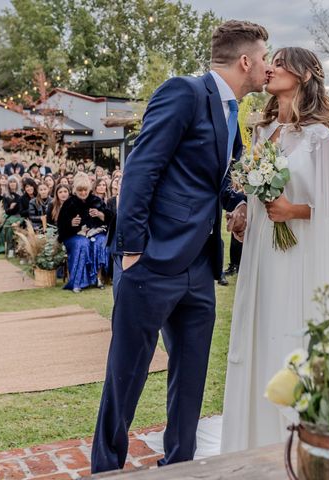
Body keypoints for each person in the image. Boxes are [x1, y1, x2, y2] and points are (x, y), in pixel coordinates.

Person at [91, 20, 267, 474]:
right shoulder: (183, 92)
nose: (267, 67)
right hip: (151, 263)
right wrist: (132, 250)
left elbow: (216, 178)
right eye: (265, 58)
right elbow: (141, 169)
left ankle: (180, 465)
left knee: (190, 381)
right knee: (125, 377)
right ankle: (107, 468)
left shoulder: (235, 114)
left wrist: (239, 201)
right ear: (245, 61)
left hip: (200, 269)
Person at [220, 46, 329, 453]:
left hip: (301, 256)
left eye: (281, 63)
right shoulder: (264, 132)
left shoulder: (320, 138)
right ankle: (259, 436)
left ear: (303, 76)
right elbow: (254, 192)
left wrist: (292, 210)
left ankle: (303, 438)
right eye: (272, 61)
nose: (271, 68)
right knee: (263, 329)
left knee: (293, 331)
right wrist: (245, 212)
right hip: (264, 254)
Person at [57, 173, 109, 292]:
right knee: (82, 243)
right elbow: (61, 225)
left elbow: (110, 218)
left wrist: (100, 215)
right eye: (80, 190)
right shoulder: (69, 203)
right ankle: (77, 282)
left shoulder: (96, 200)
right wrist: (71, 223)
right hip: (73, 236)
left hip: (96, 233)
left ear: (89, 189)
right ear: (75, 190)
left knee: (100, 241)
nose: (83, 193)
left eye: (85, 190)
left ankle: (98, 278)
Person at [0, 175, 23, 254]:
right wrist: (11, 208)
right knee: (5, 228)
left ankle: (11, 248)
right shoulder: (6, 196)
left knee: (10, 226)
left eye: (14, 182)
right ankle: (6, 248)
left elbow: (22, 209)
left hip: (20, 216)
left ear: (17, 183)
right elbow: (6, 210)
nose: (12, 183)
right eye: (10, 182)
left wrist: (14, 207)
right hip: (10, 215)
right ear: (8, 184)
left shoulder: (21, 194)